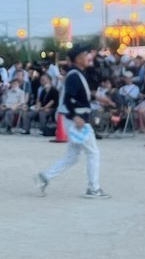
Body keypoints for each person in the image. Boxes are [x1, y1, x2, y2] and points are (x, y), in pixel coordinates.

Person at [37, 44, 109, 199]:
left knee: (73, 156)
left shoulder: (76, 74)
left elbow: (79, 95)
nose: (89, 56)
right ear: (78, 58)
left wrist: (99, 98)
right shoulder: (74, 75)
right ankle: (93, 189)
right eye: (86, 54)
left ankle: (45, 177)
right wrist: (75, 116)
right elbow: (68, 99)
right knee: (93, 153)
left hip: (73, 119)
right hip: (77, 119)